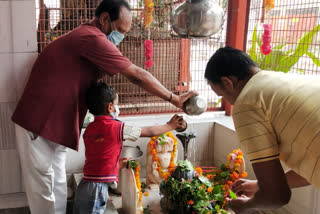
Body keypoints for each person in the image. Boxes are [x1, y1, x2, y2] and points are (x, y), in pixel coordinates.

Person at [11, 0, 196, 213]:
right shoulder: (91, 37)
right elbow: (137, 75)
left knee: (57, 182)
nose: (120, 38)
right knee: (44, 188)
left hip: (57, 125)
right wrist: (174, 98)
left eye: (124, 33)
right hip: (38, 122)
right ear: (104, 19)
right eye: (118, 30)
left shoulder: (87, 39)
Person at [204, 47, 319, 213]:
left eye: (222, 95)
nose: (227, 101)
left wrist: (246, 205)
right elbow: (311, 166)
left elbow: (277, 196)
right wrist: (258, 185)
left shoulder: (247, 102)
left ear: (228, 82)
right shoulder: (285, 80)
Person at [73, 82, 185, 214]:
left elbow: (98, 156)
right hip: (96, 190)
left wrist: (117, 164)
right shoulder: (116, 127)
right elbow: (148, 131)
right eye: (116, 104)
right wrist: (170, 126)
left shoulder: (89, 129)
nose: (117, 108)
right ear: (110, 107)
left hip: (85, 186)